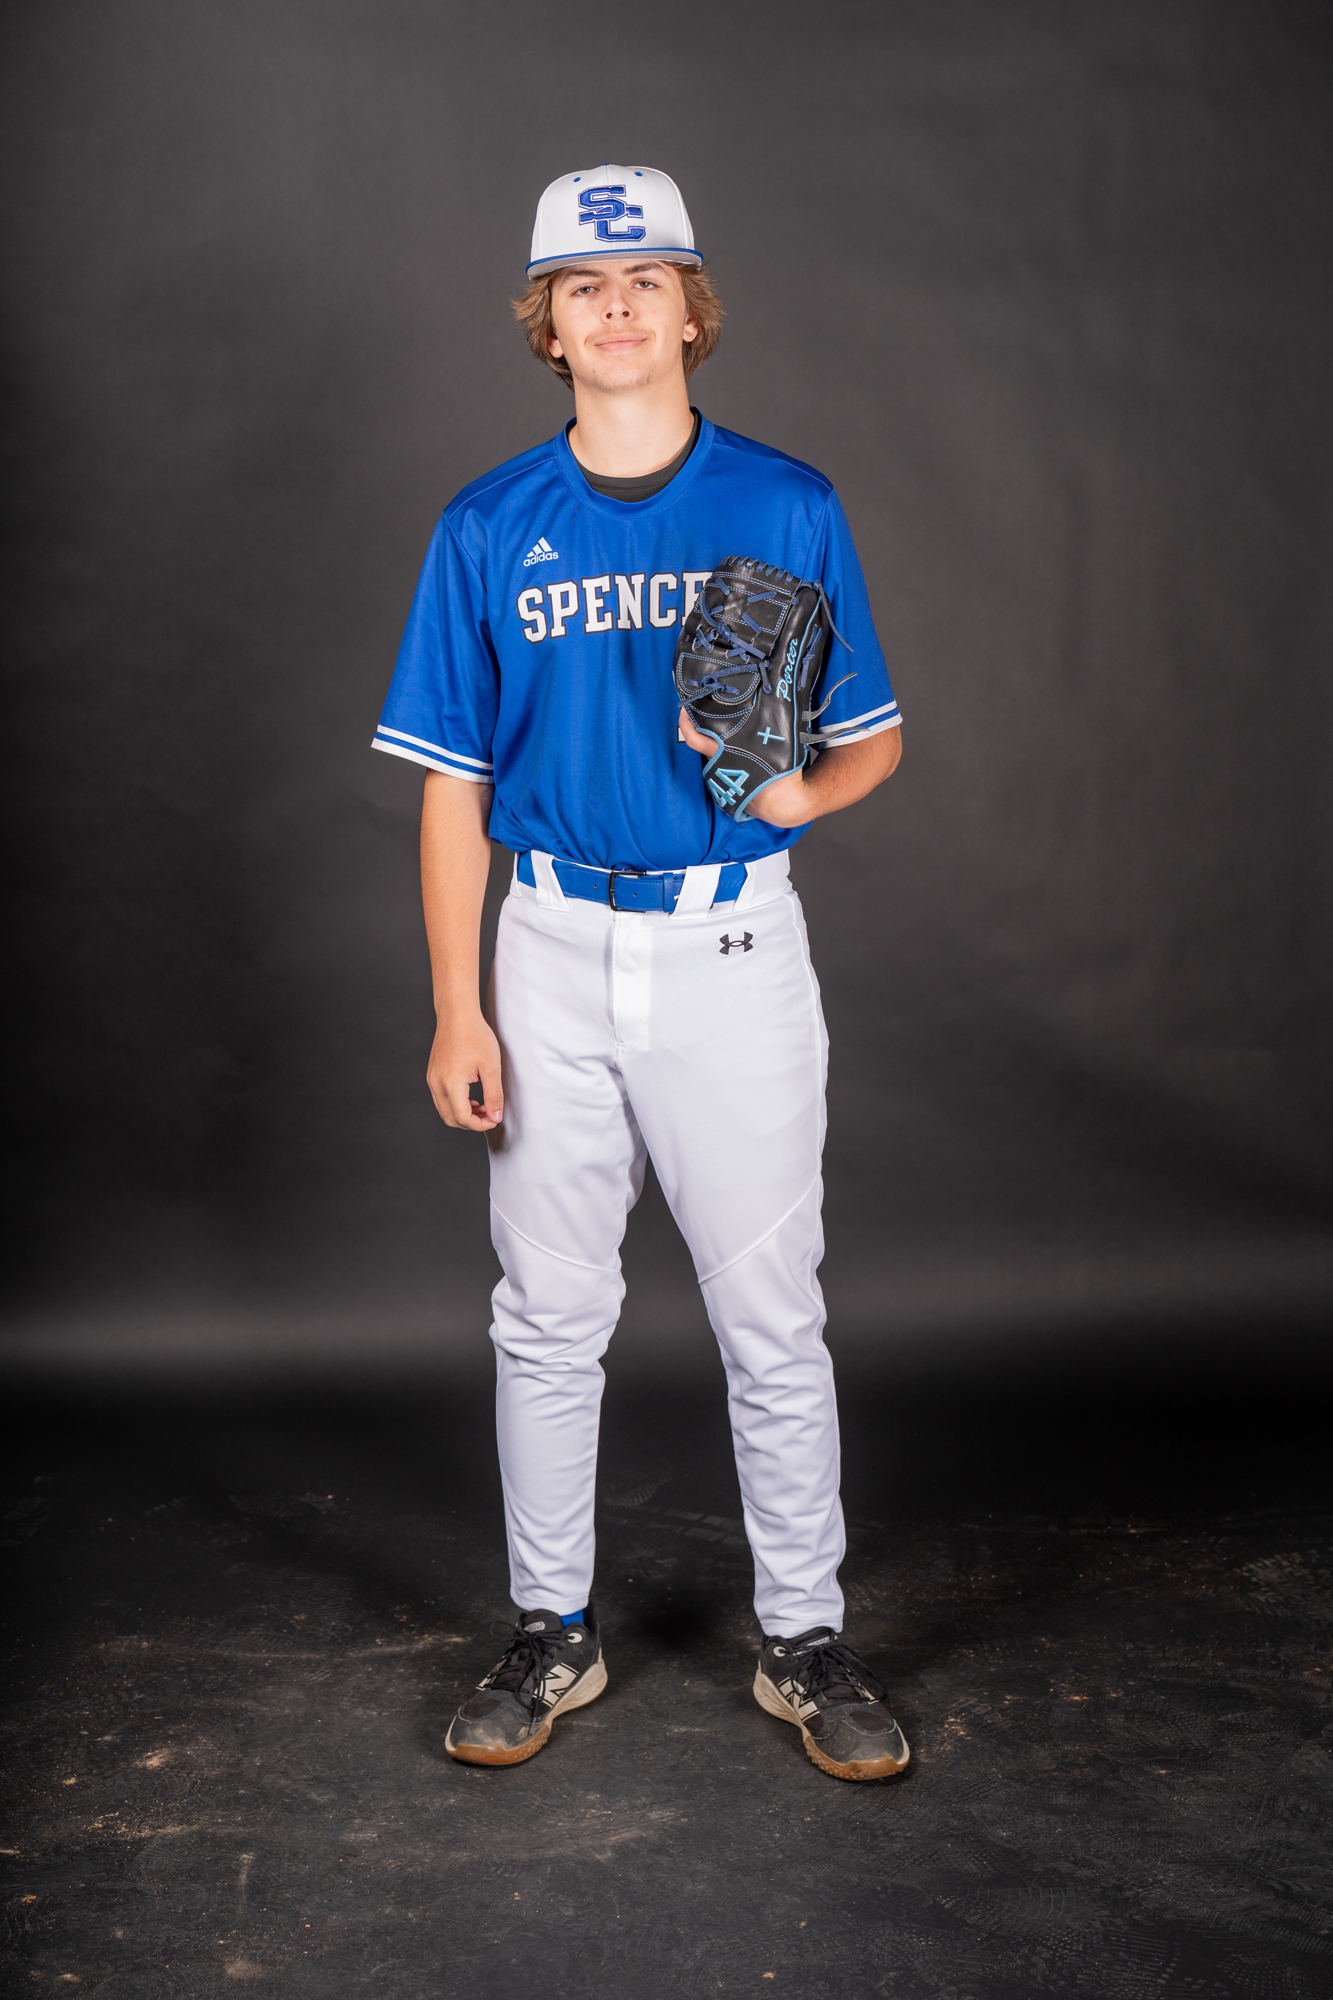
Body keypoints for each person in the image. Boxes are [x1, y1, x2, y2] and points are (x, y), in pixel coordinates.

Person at [372, 165, 907, 1781]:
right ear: (548, 324)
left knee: (770, 1317)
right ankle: (552, 1628)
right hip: (544, 945)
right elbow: (451, 786)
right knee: (545, 1316)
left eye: (646, 280)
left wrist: (795, 796)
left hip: (731, 940)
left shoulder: (785, 504)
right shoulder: (485, 525)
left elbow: (870, 739)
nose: (616, 307)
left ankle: (802, 1640)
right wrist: (457, 1004)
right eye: (584, 287)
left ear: (689, 312)